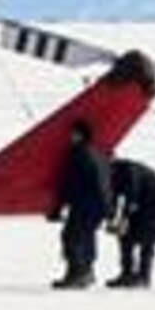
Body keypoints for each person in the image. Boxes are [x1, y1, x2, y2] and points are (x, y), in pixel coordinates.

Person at [49, 118, 110, 288]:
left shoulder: (78, 154)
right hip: (101, 203)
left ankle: (75, 275)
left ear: (80, 135)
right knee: (86, 237)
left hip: (85, 203)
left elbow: (70, 182)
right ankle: (87, 272)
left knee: (71, 237)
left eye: (73, 133)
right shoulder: (98, 153)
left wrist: (58, 207)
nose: (70, 136)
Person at [106, 158, 155, 288]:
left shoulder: (128, 171)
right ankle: (127, 274)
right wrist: (113, 219)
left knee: (147, 240)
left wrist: (123, 219)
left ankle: (144, 276)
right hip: (142, 203)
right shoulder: (111, 176)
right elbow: (114, 198)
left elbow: (132, 196)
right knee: (125, 237)